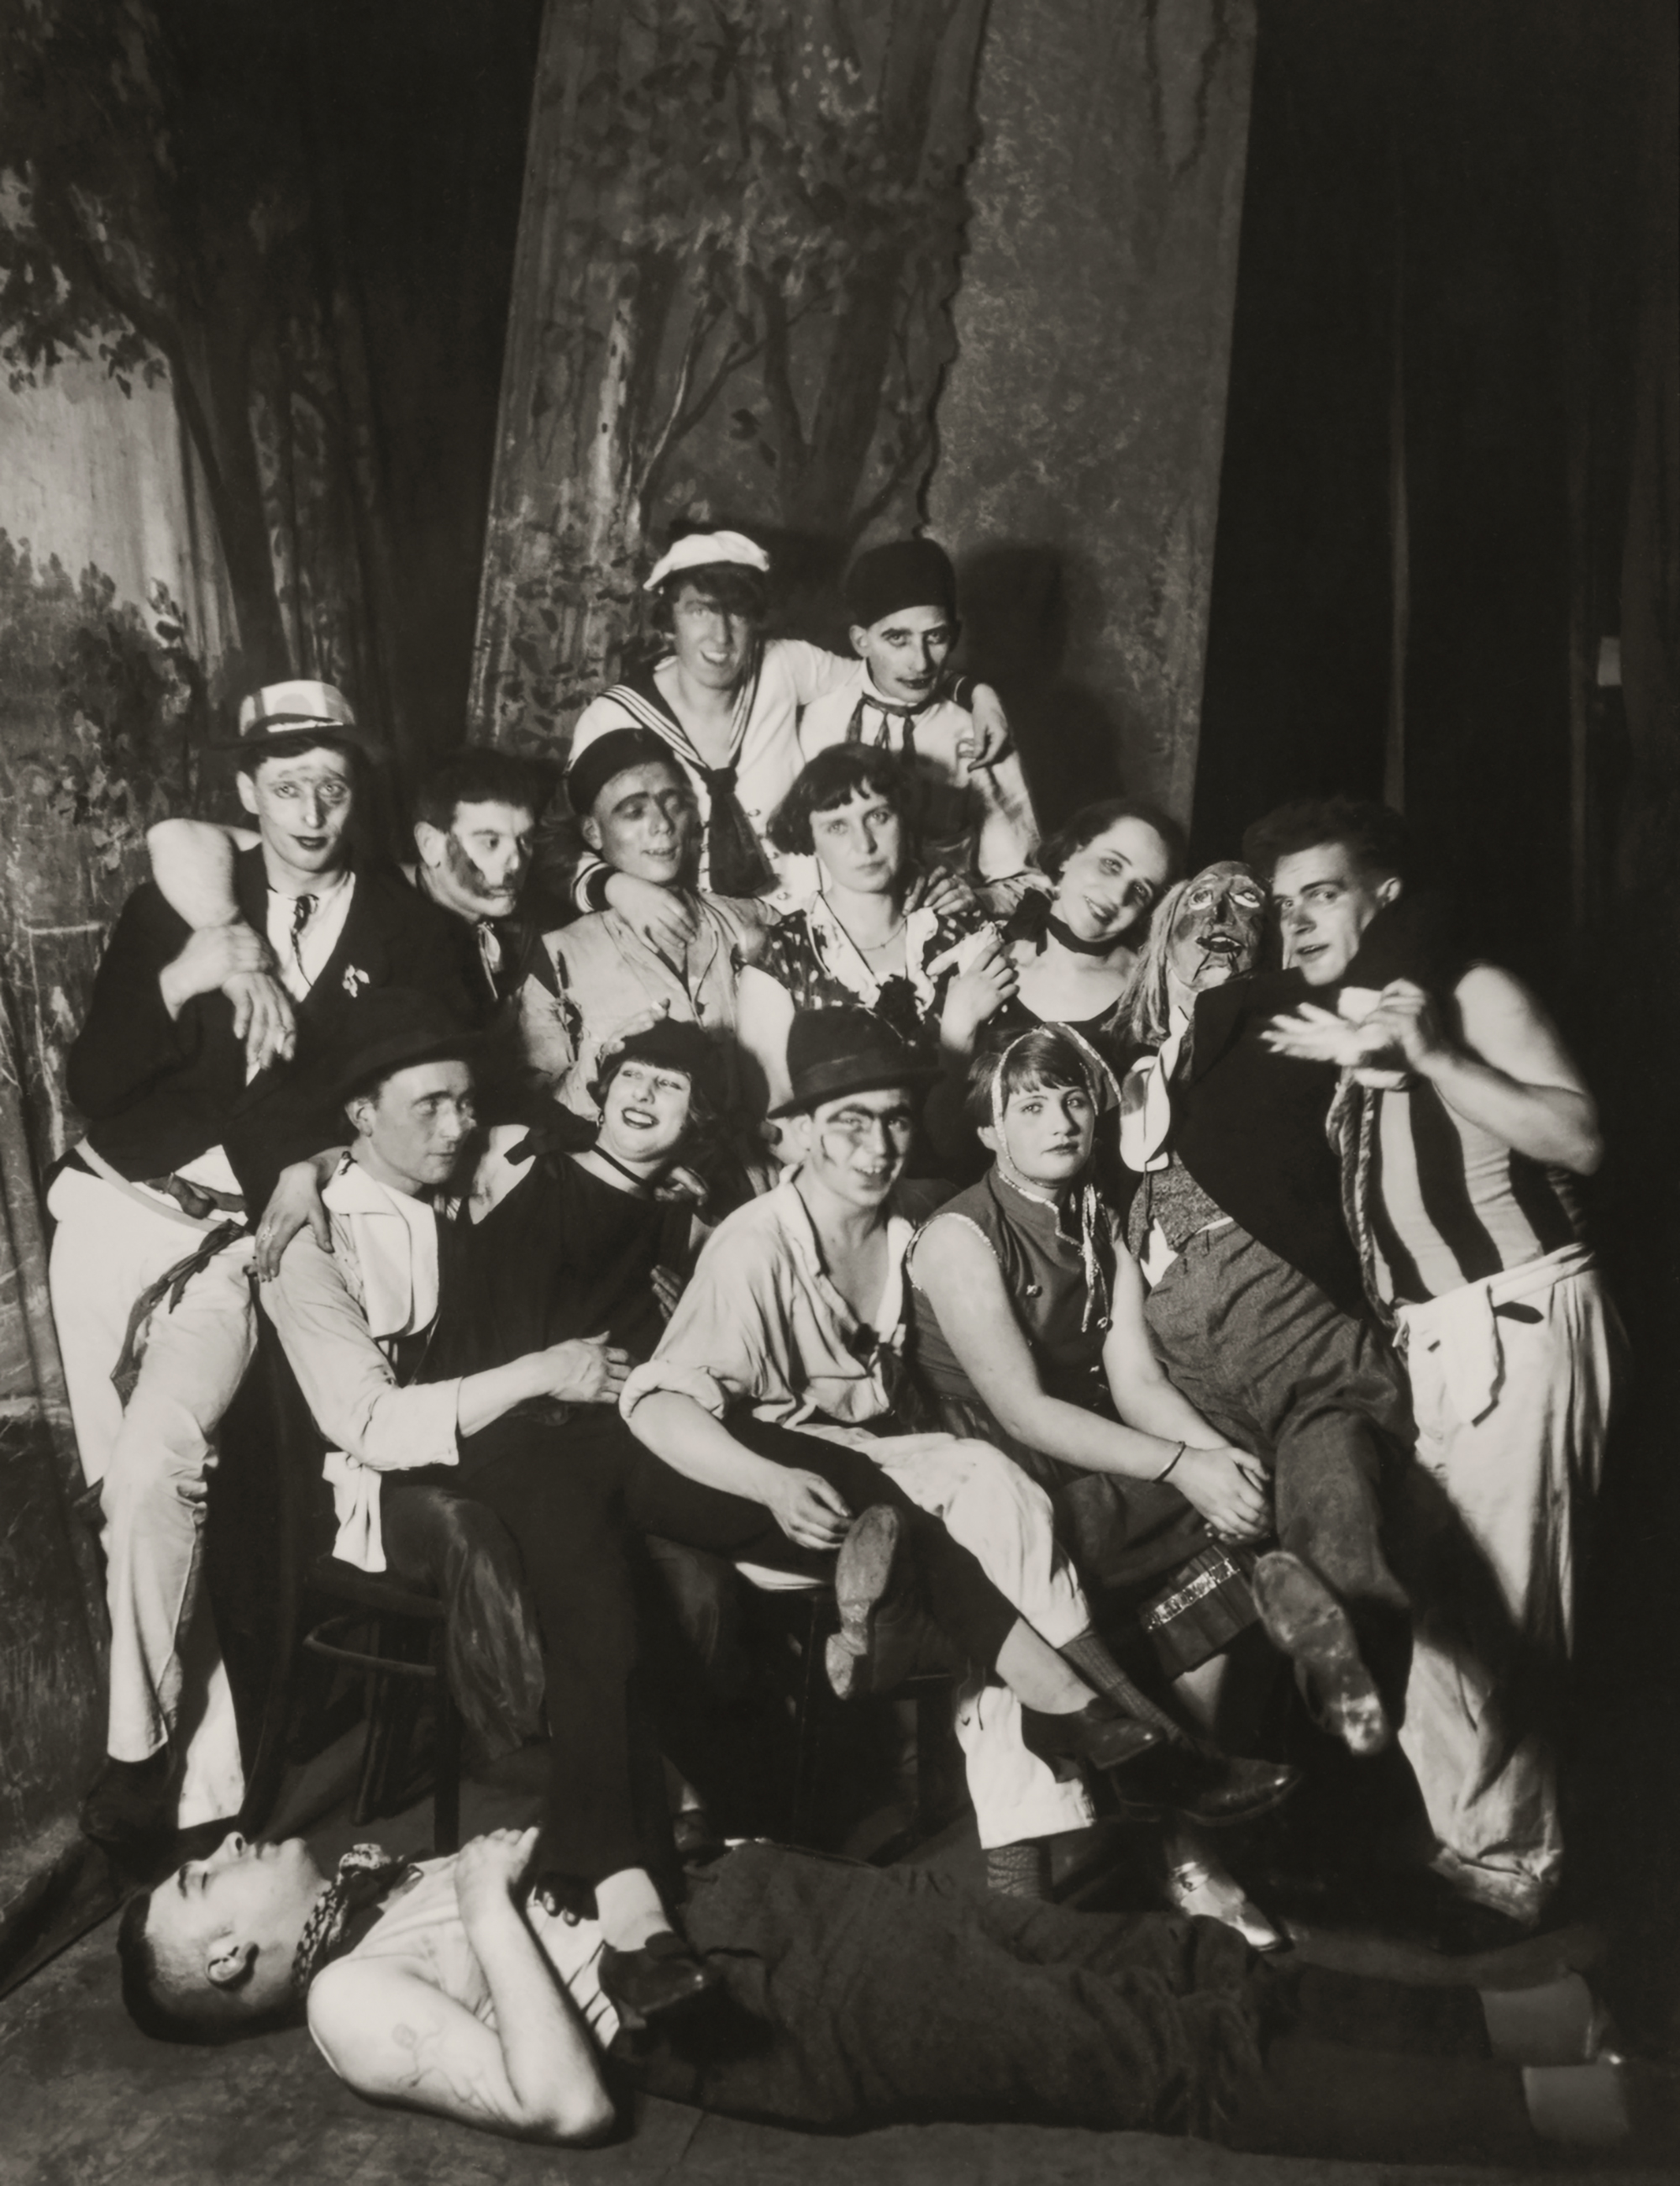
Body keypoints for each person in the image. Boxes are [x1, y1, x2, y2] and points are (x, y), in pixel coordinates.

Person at [260, 993, 1164, 1989]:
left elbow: (588, 1165)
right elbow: (370, 1420)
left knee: (872, 1491)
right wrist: (306, 1176)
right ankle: (628, 1913)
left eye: (465, 1103)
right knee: (597, 1609)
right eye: (431, 1106)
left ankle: (1063, 1700)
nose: (459, 1122)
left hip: (612, 1417)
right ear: (358, 1116)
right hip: (477, 1454)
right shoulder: (319, 1233)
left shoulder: (499, 1148)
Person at [624, 1005, 1294, 1897]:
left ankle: (1036, 1858)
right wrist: (772, 1482)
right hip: (776, 1499)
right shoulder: (756, 1244)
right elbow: (658, 1406)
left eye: (895, 1118)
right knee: (987, 1491)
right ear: (793, 1138)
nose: (877, 1145)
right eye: (847, 1123)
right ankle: (1130, 1751)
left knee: (992, 1523)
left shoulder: (908, 1219)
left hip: (888, 1471)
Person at [118, 1821, 1642, 2163]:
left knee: (1172, 1958)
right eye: (203, 1884)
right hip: (774, 2005)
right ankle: (1587, 2107)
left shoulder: (375, 1877)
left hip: (778, 1903)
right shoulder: (342, 2004)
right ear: (232, 1965)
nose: (225, 1848)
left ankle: (1543, 2022)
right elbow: (565, 2098)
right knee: (1165, 2051)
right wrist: (506, 1900)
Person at [48, 680, 476, 1847]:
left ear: (359, 792)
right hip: (117, 1209)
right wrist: (195, 970)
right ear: (246, 795)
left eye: (334, 785)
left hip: (250, 1239)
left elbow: (420, 1077)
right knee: (124, 1505)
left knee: (156, 1473)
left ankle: (140, 1762)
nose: (312, 809)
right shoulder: (185, 899)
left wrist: (310, 1151)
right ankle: (198, 1784)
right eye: (286, 786)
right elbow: (97, 1083)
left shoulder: (401, 924)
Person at [1249, 796, 1619, 1931]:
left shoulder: (1473, 994)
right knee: (1439, 1612)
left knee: (1505, 1610)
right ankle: (1469, 1851)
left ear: (1384, 897)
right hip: (1439, 1345)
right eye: (1282, 905)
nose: (1296, 921)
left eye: (1320, 892)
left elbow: (1582, 1136)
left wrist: (1440, 1052)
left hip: (1517, 1315)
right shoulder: (1352, 1044)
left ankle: (1508, 1872)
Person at [908, 1026, 1291, 1936]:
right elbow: (1022, 1412)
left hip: (1084, 1449)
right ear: (990, 1129)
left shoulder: (1096, 1218)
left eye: (1074, 1098)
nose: (1060, 1118)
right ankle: (1175, 1821)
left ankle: (1181, 1829)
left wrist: (1216, 1464)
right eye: (1030, 1104)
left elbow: (1137, 1382)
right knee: (1121, 1538)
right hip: (992, 1476)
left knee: (1239, 1518)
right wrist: (1179, 1468)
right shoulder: (960, 1232)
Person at [1114, 859, 1415, 1762]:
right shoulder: (1116, 1085)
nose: (1217, 916)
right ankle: (1179, 1783)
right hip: (1181, 1371)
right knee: (1103, 1513)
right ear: (1157, 947)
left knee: (1328, 1472)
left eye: (1246, 904)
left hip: (1293, 1333)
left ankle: (1344, 1665)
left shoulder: (1289, 1031)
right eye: (1194, 905)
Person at [563, 528, 1014, 927]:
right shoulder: (614, 718)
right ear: (668, 621)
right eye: (700, 610)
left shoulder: (784, 665)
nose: (720, 637)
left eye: (738, 613)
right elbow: (553, 845)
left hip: (799, 929)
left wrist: (975, 693)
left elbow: (889, 674)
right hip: (683, 935)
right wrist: (613, 887)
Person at [144, 744, 564, 1054]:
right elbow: (176, 835)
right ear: (431, 845)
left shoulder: (516, 926)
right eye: (490, 842)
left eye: (524, 841)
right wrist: (235, 949)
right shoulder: (360, 886)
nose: (514, 861)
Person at [734, 745, 1016, 1125]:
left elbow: (999, 1103)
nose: (864, 844)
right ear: (809, 837)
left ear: (904, 817)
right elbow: (777, 1123)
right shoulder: (780, 959)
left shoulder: (960, 937)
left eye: (878, 816)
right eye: (837, 826)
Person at [517, 726, 772, 1142]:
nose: (662, 825)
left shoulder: (755, 920)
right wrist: (603, 1066)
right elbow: (541, 1108)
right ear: (593, 833)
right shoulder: (559, 955)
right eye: (634, 812)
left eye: (674, 805)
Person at [795, 536, 1040, 910]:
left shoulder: (975, 734)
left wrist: (976, 899)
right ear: (861, 641)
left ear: (953, 635)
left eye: (936, 638)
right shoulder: (818, 719)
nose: (921, 662)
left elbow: (1028, 882)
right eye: (898, 639)